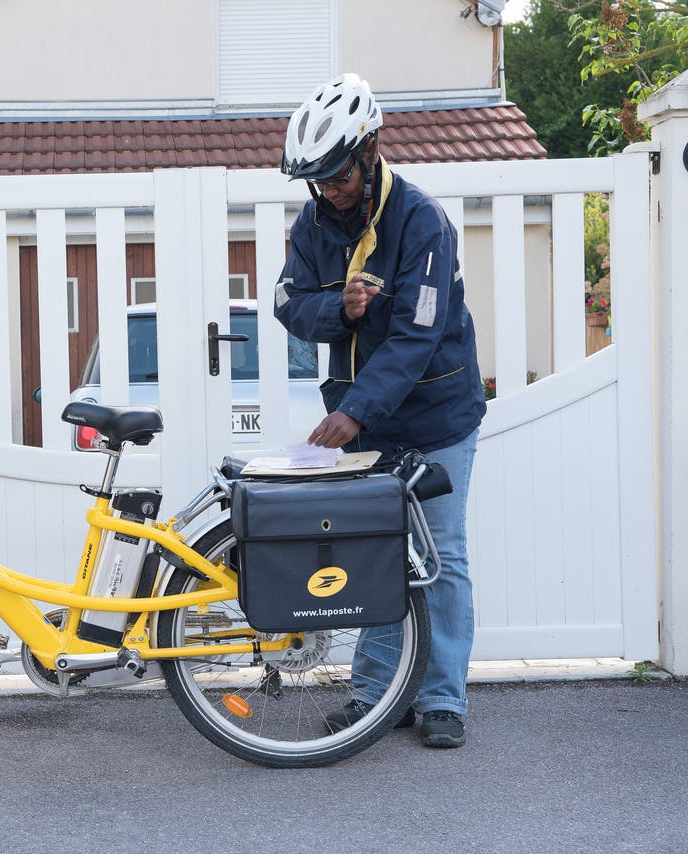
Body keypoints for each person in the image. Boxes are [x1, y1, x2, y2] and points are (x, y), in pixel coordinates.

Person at [273, 73, 486, 748]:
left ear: (370, 152)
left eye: (336, 175)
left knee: (441, 556)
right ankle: (378, 695)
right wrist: (338, 306)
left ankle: (443, 700)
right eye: (315, 179)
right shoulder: (312, 224)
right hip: (369, 418)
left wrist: (355, 413)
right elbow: (287, 304)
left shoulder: (422, 222)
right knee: (376, 554)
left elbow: (417, 339)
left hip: (437, 416)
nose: (327, 190)